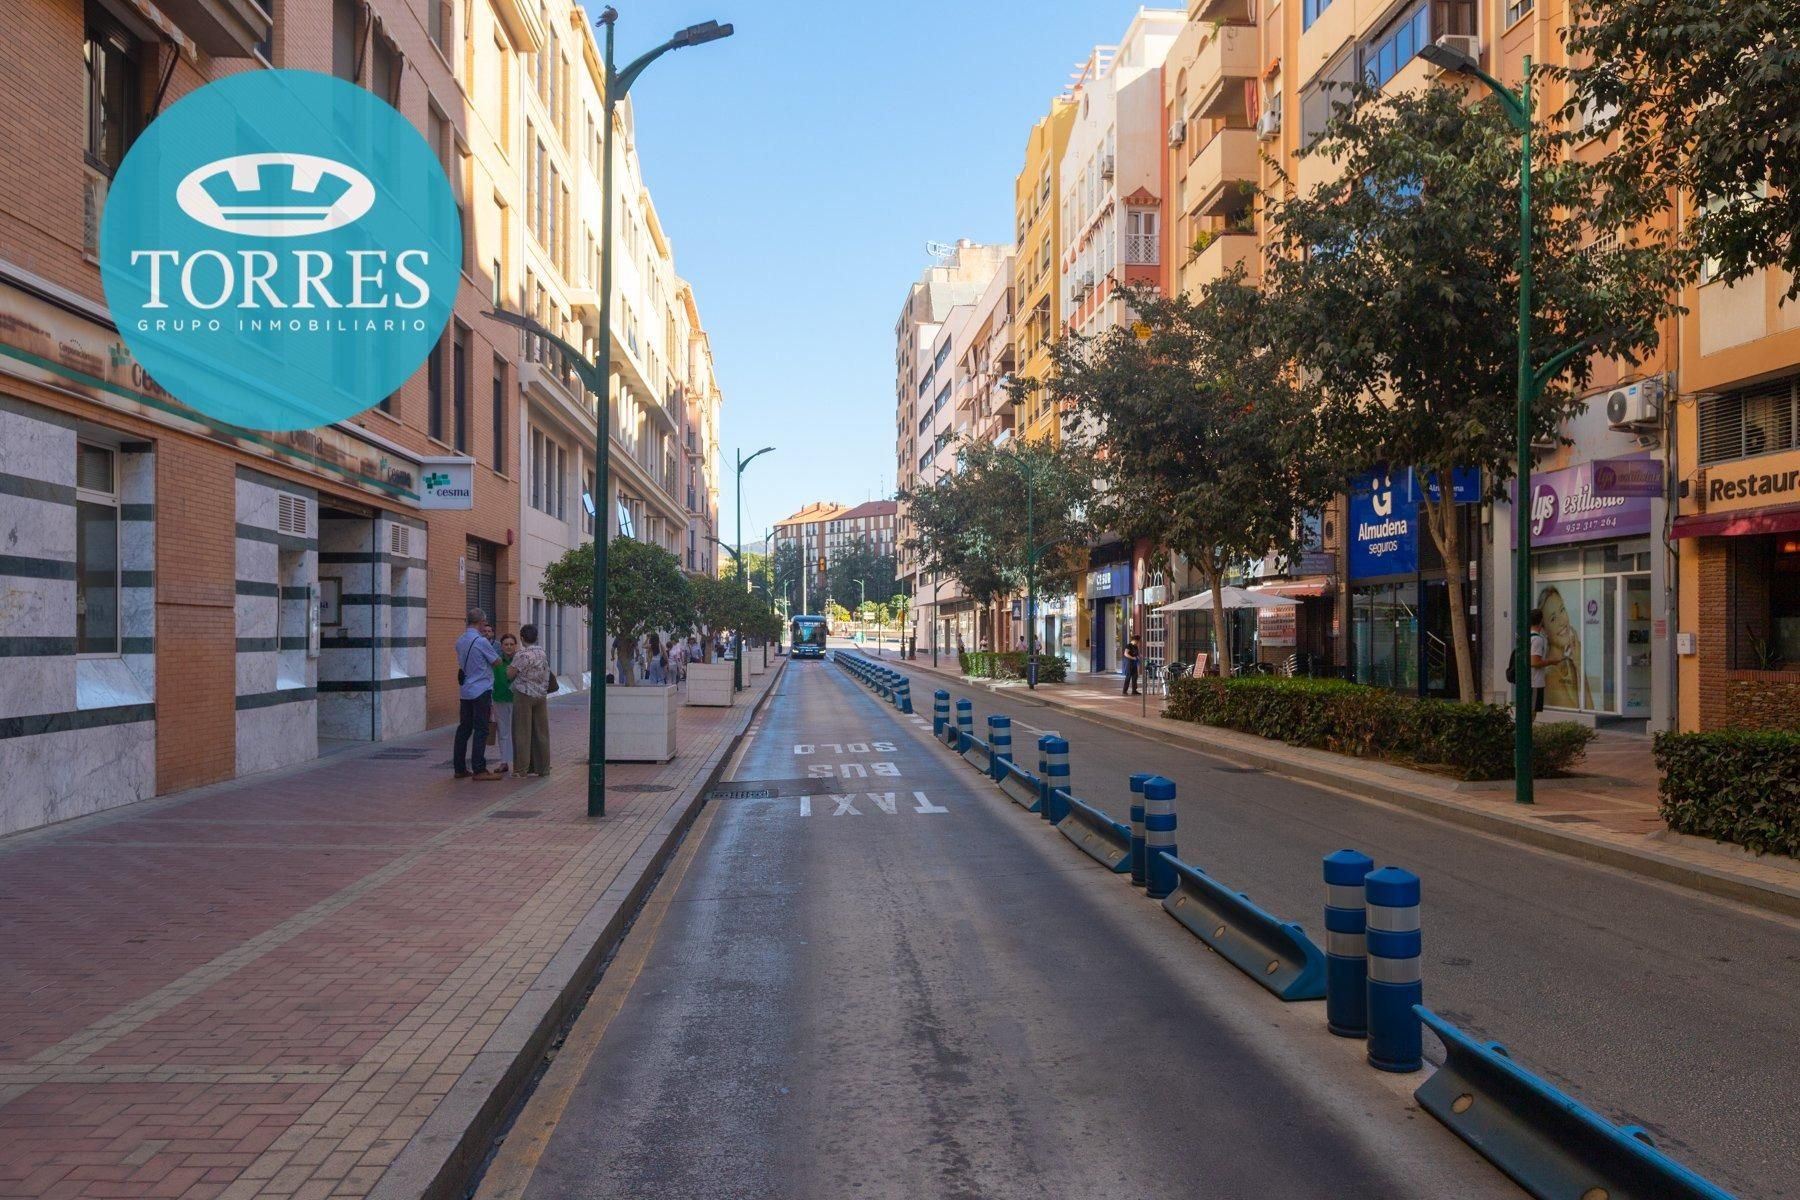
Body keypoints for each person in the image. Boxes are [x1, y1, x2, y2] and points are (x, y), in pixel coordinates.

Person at [453, 608, 501, 780]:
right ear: (480, 621)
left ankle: (459, 768)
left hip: (465, 690)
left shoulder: (460, 640)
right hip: (481, 689)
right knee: (481, 729)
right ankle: (479, 768)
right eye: (484, 622)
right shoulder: (481, 642)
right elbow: (496, 661)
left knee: (464, 729)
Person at [508, 623, 552, 777]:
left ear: (521, 638)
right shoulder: (542, 652)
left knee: (522, 732)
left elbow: (510, 674)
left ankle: (521, 769)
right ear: (536, 637)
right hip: (541, 695)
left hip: (524, 695)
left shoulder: (522, 655)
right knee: (541, 732)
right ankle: (543, 767)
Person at [490, 633, 517, 773]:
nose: (509, 647)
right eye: (506, 644)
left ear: (515, 645)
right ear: (501, 646)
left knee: (518, 732)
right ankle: (504, 761)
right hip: (499, 699)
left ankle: (518, 761)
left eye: (511, 644)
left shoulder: (519, 661)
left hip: (516, 701)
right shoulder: (496, 662)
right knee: (503, 731)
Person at [1528, 608, 1552, 715]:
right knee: (1532, 713)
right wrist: (1551, 662)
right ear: (1541, 621)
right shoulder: (1537, 639)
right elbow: (1535, 662)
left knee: (1529, 713)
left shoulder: (1526, 636)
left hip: (1528, 681)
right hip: (1535, 682)